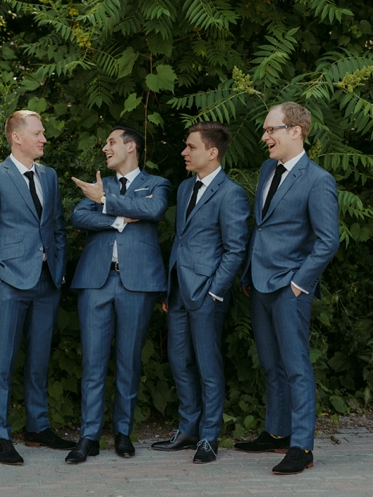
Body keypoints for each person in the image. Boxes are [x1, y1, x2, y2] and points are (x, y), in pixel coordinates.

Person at [236, 102, 339, 475]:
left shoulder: (318, 180)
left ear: (295, 131)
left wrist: (299, 284)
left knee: (296, 367)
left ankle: (302, 447)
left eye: (270, 130)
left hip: (289, 287)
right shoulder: (268, 169)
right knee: (270, 363)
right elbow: (261, 227)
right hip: (259, 285)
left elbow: (328, 241)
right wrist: (248, 273)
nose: (264, 137)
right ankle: (276, 432)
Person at [0, 109, 73, 465]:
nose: (44, 138)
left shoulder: (50, 175)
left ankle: (37, 427)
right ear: (17, 137)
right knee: (3, 360)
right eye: (38, 133)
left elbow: (56, 224)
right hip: (9, 282)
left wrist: (58, 269)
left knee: (39, 358)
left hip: (46, 281)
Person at [64, 126, 171, 464]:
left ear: (131, 146)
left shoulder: (157, 184)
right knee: (92, 361)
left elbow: (153, 211)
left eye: (111, 142)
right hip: (96, 281)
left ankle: (123, 432)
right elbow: (79, 215)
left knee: (129, 360)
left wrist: (105, 203)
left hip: (138, 283)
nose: (105, 148)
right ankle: (89, 436)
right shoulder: (102, 184)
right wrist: (118, 218)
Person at [150, 122, 250, 465]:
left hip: (207, 293)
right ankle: (187, 429)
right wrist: (168, 286)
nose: (184, 152)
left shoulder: (231, 192)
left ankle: (209, 436)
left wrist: (215, 292)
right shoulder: (183, 188)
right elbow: (181, 239)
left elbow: (235, 249)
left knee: (208, 366)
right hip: (177, 291)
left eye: (190, 147)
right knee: (179, 361)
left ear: (212, 152)